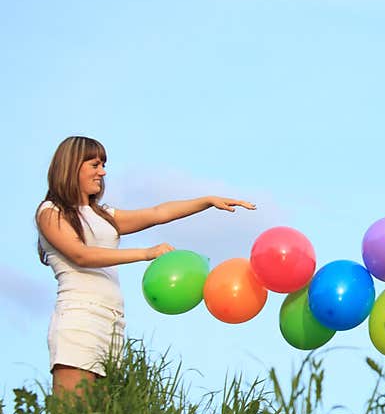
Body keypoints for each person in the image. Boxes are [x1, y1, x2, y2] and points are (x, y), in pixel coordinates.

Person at [35, 135, 256, 400]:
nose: (102, 172)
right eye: (95, 165)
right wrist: (145, 253)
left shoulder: (103, 215)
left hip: (112, 320)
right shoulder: (51, 211)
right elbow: (80, 255)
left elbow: (158, 213)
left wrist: (206, 201)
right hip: (79, 316)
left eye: (103, 165)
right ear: (72, 166)